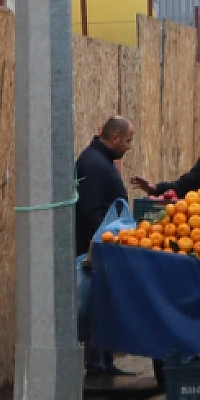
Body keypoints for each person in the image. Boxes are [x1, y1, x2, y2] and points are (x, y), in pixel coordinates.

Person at [76, 116, 135, 380]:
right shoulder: (93, 164)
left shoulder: (100, 162)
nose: (129, 146)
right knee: (96, 305)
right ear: (114, 139)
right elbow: (90, 212)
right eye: (128, 141)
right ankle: (97, 364)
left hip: (104, 249)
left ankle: (105, 360)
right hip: (96, 251)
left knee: (105, 304)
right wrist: (104, 240)